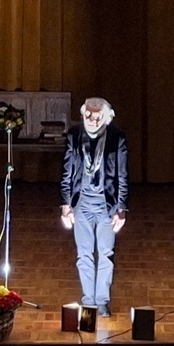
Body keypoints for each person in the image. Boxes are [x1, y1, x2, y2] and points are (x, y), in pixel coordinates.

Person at [60, 97, 128, 317]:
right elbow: (67, 171)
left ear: (106, 118)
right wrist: (66, 204)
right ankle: (88, 302)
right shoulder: (74, 135)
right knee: (84, 255)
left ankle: (102, 302)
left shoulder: (116, 137)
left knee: (106, 254)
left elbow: (122, 175)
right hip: (82, 204)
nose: (91, 119)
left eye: (96, 116)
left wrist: (121, 208)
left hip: (107, 205)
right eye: (87, 115)